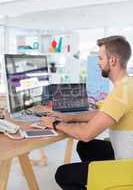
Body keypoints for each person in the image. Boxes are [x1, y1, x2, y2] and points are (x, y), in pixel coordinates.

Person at [40, 35, 133, 190]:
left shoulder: (122, 92)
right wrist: (68, 118)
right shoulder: (126, 85)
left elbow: (86, 133)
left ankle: (112, 180)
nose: (98, 62)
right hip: (125, 155)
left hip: (128, 168)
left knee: (63, 174)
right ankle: (101, 181)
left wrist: (56, 124)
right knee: (85, 147)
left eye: (100, 58)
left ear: (113, 60)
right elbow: (102, 113)